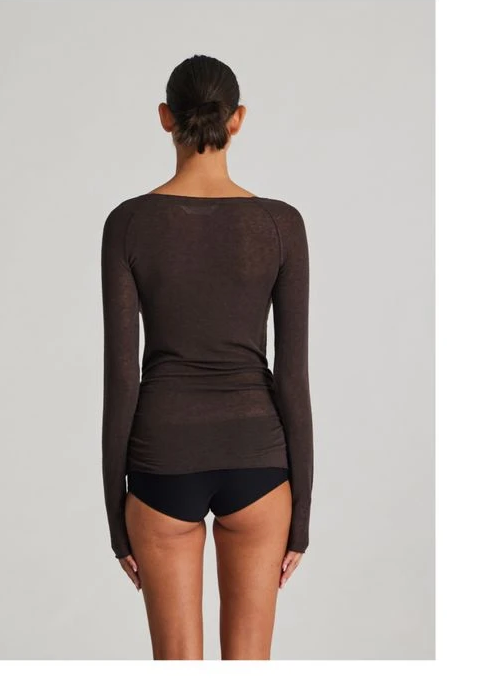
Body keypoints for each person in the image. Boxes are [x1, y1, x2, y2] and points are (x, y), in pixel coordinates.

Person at [100, 54, 313, 660]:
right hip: (258, 462)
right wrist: (301, 518)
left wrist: (116, 519)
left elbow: (122, 377)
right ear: (237, 119)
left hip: (161, 461)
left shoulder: (129, 224)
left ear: (165, 117)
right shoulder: (280, 225)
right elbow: (292, 378)